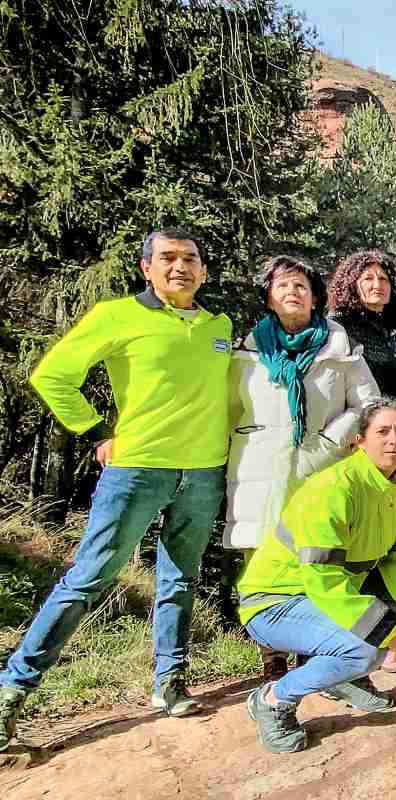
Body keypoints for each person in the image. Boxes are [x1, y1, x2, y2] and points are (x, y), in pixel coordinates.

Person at [1, 229, 232, 750]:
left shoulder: (219, 324)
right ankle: (13, 690)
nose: (181, 268)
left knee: (180, 580)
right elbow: (53, 374)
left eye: (191, 260)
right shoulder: (116, 315)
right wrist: (95, 432)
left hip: (203, 472)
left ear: (204, 271)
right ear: (146, 268)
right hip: (137, 470)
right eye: (168, 259)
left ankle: (169, 682)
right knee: (89, 577)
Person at [239, 398, 396, 752]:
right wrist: (388, 633)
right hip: (275, 603)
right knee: (366, 647)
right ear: (360, 441)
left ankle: (343, 680)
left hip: (324, 596)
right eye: (382, 432)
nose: (394, 440)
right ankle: (274, 700)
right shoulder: (335, 488)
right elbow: (323, 578)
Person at [224, 255, 380, 680]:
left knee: (323, 561)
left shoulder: (337, 344)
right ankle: (272, 656)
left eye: (301, 286)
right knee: (262, 565)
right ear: (269, 297)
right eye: (282, 286)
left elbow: (368, 404)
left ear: (315, 297)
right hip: (260, 472)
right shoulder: (248, 348)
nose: (292, 292)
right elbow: (229, 411)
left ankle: (323, 656)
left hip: (322, 471)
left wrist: (330, 442)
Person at [327, 249, 396, 404]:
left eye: (384, 279)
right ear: (352, 284)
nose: (377, 285)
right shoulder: (338, 326)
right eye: (368, 278)